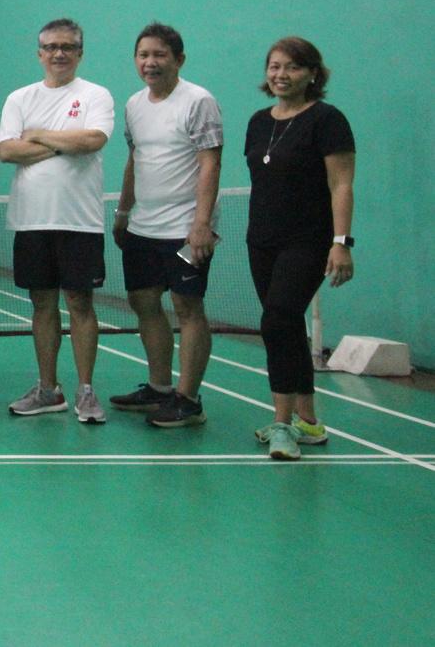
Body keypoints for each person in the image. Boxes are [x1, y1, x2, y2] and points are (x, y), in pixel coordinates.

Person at [0, 18, 115, 424]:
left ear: (79, 53)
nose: (58, 53)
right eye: (51, 47)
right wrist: (66, 142)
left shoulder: (96, 95)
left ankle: (86, 390)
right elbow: (6, 151)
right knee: (42, 305)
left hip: (80, 222)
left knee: (80, 304)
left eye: (67, 47)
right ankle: (48, 389)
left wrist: (39, 135)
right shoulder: (20, 98)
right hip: (31, 221)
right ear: (39, 54)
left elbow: (93, 140)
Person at [244, 37, 355, 461]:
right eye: (274, 66)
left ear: (312, 73)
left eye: (292, 67)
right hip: (261, 241)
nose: (281, 75)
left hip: (307, 241)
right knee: (287, 325)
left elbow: (341, 185)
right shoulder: (259, 122)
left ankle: (282, 423)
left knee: (276, 320)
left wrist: (341, 243)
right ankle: (308, 422)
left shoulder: (328, 120)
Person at [109, 23, 223, 428]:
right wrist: (123, 212)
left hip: (185, 227)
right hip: (144, 226)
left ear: (179, 59)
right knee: (143, 302)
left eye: (159, 55)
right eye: (143, 55)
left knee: (187, 306)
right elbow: (135, 159)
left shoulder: (198, 101)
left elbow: (210, 163)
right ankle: (159, 388)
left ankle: (188, 400)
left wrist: (201, 224)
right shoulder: (134, 104)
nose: (150, 62)